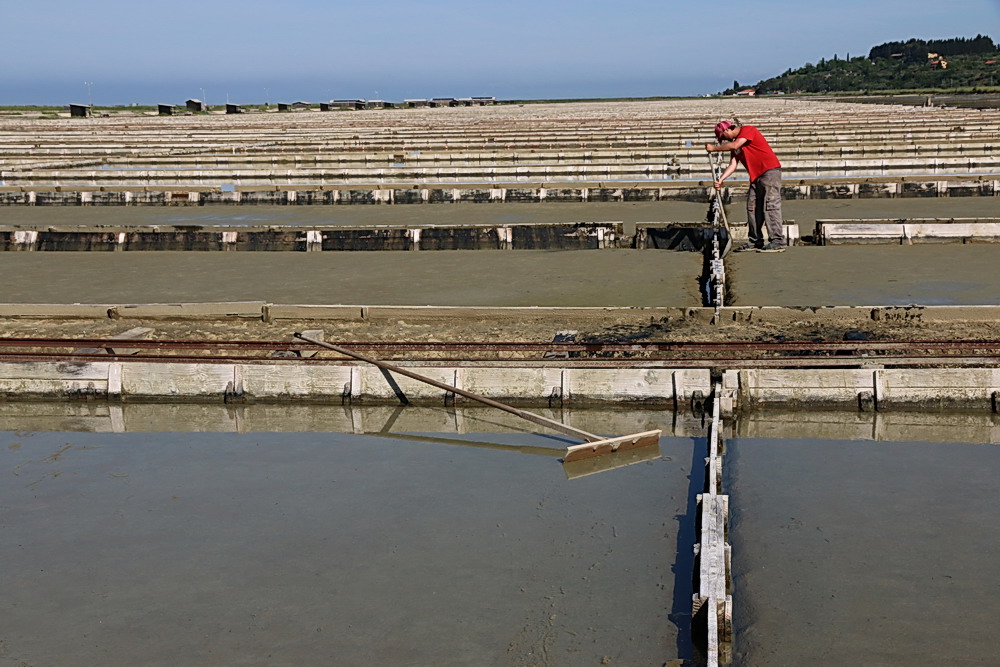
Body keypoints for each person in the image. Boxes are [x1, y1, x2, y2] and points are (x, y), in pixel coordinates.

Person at [705, 118, 786, 252]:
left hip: (769, 172)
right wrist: (721, 180)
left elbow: (736, 145)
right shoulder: (734, 145)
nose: (724, 140)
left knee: (770, 205)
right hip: (755, 176)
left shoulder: (748, 130)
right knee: (752, 207)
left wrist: (714, 149)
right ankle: (755, 240)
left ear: (727, 129)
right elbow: (733, 165)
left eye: (723, 137)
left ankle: (777, 241)